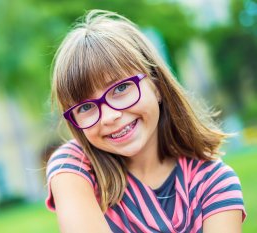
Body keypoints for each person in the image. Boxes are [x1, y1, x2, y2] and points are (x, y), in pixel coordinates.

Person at [45, 9, 246, 233]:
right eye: (86, 107)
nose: (110, 116)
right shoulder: (73, 166)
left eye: (121, 88)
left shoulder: (215, 182)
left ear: (157, 85)